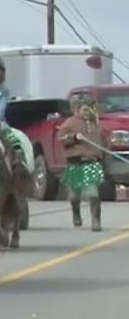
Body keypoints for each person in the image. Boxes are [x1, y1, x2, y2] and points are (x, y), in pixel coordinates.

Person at [58, 95, 106, 231]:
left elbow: (104, 143)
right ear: (77, 110)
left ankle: (96, 221)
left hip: (92, 164)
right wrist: (72, 137)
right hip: (76, 164)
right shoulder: (70, 123)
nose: (88, 112)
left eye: (91, 109)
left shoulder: (96, 124)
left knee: (93, 194)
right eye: (85, 109)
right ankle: (76, 213)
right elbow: (61, 138)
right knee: (74, 196)